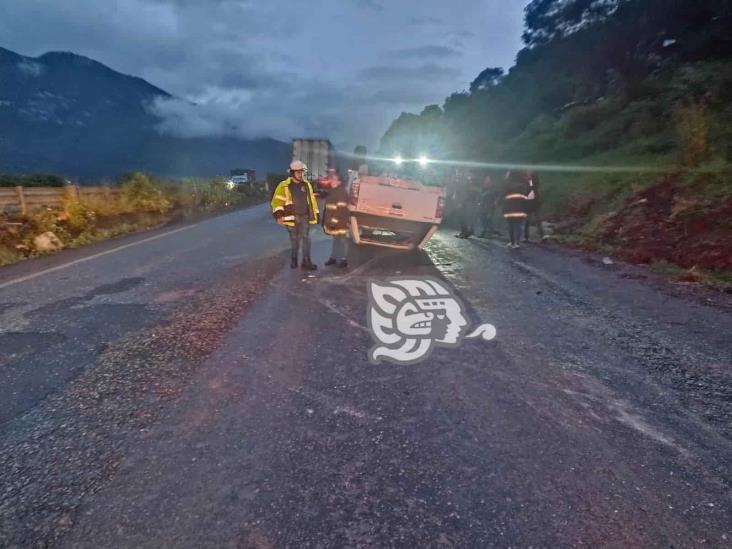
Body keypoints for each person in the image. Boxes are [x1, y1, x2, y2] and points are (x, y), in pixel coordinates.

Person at [271, 160, 320, 270]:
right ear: (292, 173)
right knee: (294, 241)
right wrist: (279, 216)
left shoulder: (306, 184)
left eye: (302, 172)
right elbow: (277, 201)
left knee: (306, 239)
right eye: (298, 172)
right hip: (291, 218)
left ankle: (306, 261)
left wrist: (316, 214)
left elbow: (312, 200)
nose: (301, 174)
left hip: (304, 217)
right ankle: (294, 260)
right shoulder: (283, 186)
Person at [322, 170, 349, 268]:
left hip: (340, 221)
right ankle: (333, 258)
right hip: (333, 221)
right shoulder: (333, 190)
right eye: (331, 179)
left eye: (334, 179)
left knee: (342, 240)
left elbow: (341, 208)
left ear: (339, 182)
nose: (332, 180)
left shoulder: (341, 191)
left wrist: (333, 221)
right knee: (336, 240)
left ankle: (343, 260)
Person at [502, 170, 529, 249]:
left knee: (510, 226)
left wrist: (503, 208)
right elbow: (526, 197)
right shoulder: (523, 185)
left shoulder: (508, 185)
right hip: (520, 209)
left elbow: (504, 197)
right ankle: (517, 243)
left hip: (510, 209)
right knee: (518, 225)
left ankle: (512, 241)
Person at [455, 173, 481, 238]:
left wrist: (461, 203)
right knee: (462, 218)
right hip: (465, 204)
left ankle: (465, 232)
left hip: (467, 204)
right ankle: (463, 232)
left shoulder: (470, 184)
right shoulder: (466, 184)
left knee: (464, 218)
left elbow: (467, 195)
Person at [523, 170, 546, 242]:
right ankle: (526, 237)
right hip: (528, 203)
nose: (529, 172)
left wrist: (530, 181)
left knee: (538, 220)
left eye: (530, 171)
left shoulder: (535, 179)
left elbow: (535, 187)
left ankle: (542, 236)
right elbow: (525, 190)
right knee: (527, 221)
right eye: (528, 171)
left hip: (535, 202)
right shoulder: (524, 181)